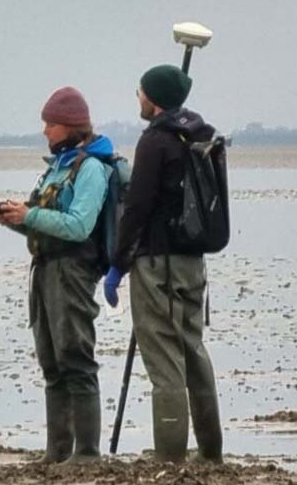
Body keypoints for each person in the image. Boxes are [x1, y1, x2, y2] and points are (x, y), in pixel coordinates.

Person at [104, 64, 223, 463]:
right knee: (193, 351)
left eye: (140, 92)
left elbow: (136, 207)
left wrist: (118, 263)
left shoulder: (156, 143)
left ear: (152, 99)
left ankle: (169, 457)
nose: (137, 97)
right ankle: (210, 452)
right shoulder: (198, 137)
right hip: (194, 262)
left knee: (164, 361)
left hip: (158, 263)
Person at [0, 86, 115, 463]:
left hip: (73, 271)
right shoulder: (56, 167)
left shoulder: (92, 168)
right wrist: (14, 218)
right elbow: (46, 222)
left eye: (51, 124)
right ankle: (57, 450)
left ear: (70, 126)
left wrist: (28, 216)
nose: (45, 130)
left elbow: (79, 226)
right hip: (44, 269)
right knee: (50, 360)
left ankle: (88, 451)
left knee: (75, 356)